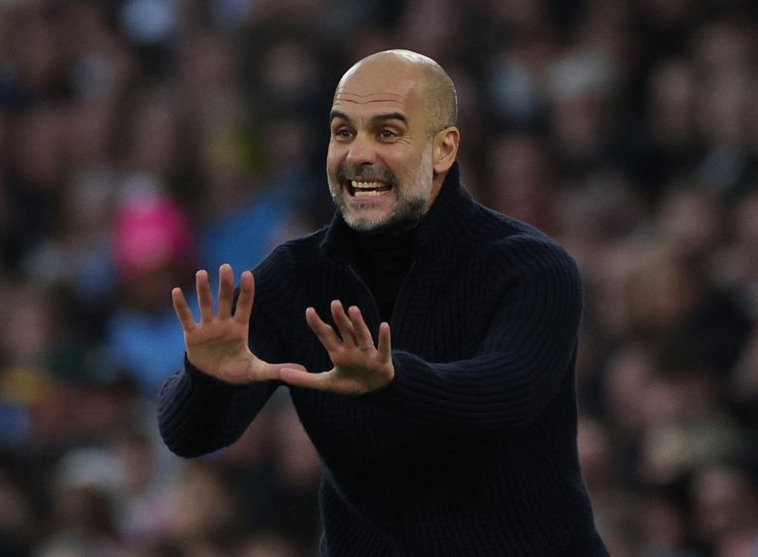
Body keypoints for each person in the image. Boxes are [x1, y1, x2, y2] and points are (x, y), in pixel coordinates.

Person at [158, 49, 609, 556]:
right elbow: (189, 436)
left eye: (387, 132)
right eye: (343, 132)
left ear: (443, 149)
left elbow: (506, 396)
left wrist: (392, 381)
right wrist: (206, 381)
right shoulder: (295, 276)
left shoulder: (531, 267)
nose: (358, 155)